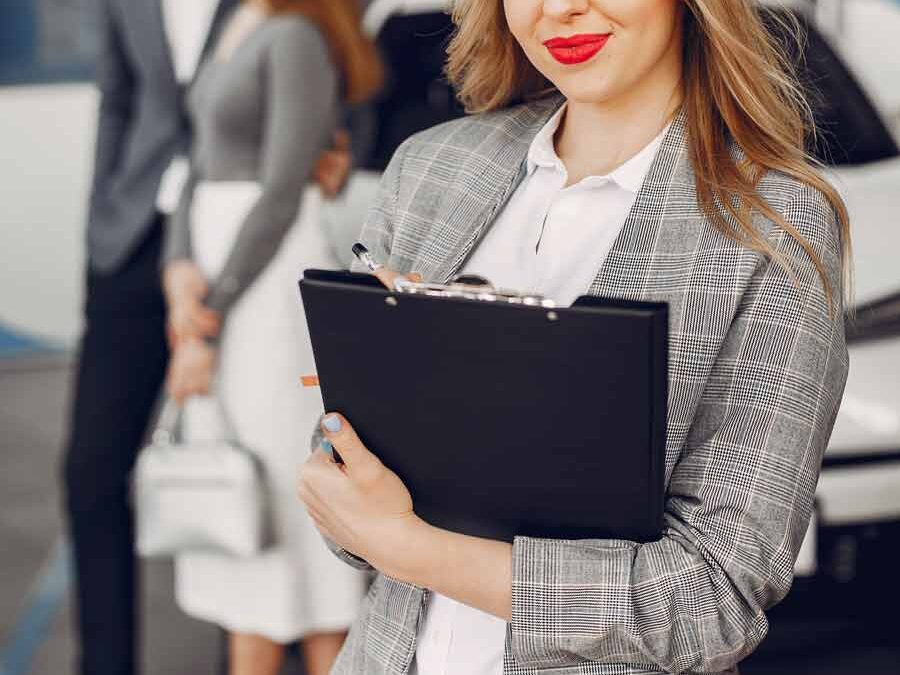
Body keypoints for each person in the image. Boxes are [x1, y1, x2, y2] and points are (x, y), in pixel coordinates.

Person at [297, 1, 851, 674]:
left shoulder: (773, 225)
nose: (560, 8)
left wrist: (414, 548)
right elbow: (337, 487)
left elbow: (712, 601)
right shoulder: (430, 172)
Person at [61, 1, 351, 673]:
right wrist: (113, 221)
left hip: (254, 263)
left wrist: (335, 147)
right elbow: (118, 99)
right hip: (142, 243)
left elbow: (349, 71)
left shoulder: (285, 22)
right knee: (93, 472)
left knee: (270, 471)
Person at [161, 2, 382, 674]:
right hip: (221, 285)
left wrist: (212, 313)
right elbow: (196, 160)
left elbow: (285, 189)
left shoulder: (295, 36)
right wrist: (179, 272)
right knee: (247, 502)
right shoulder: (240, 23)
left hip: (268, 294)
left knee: (292, 500)